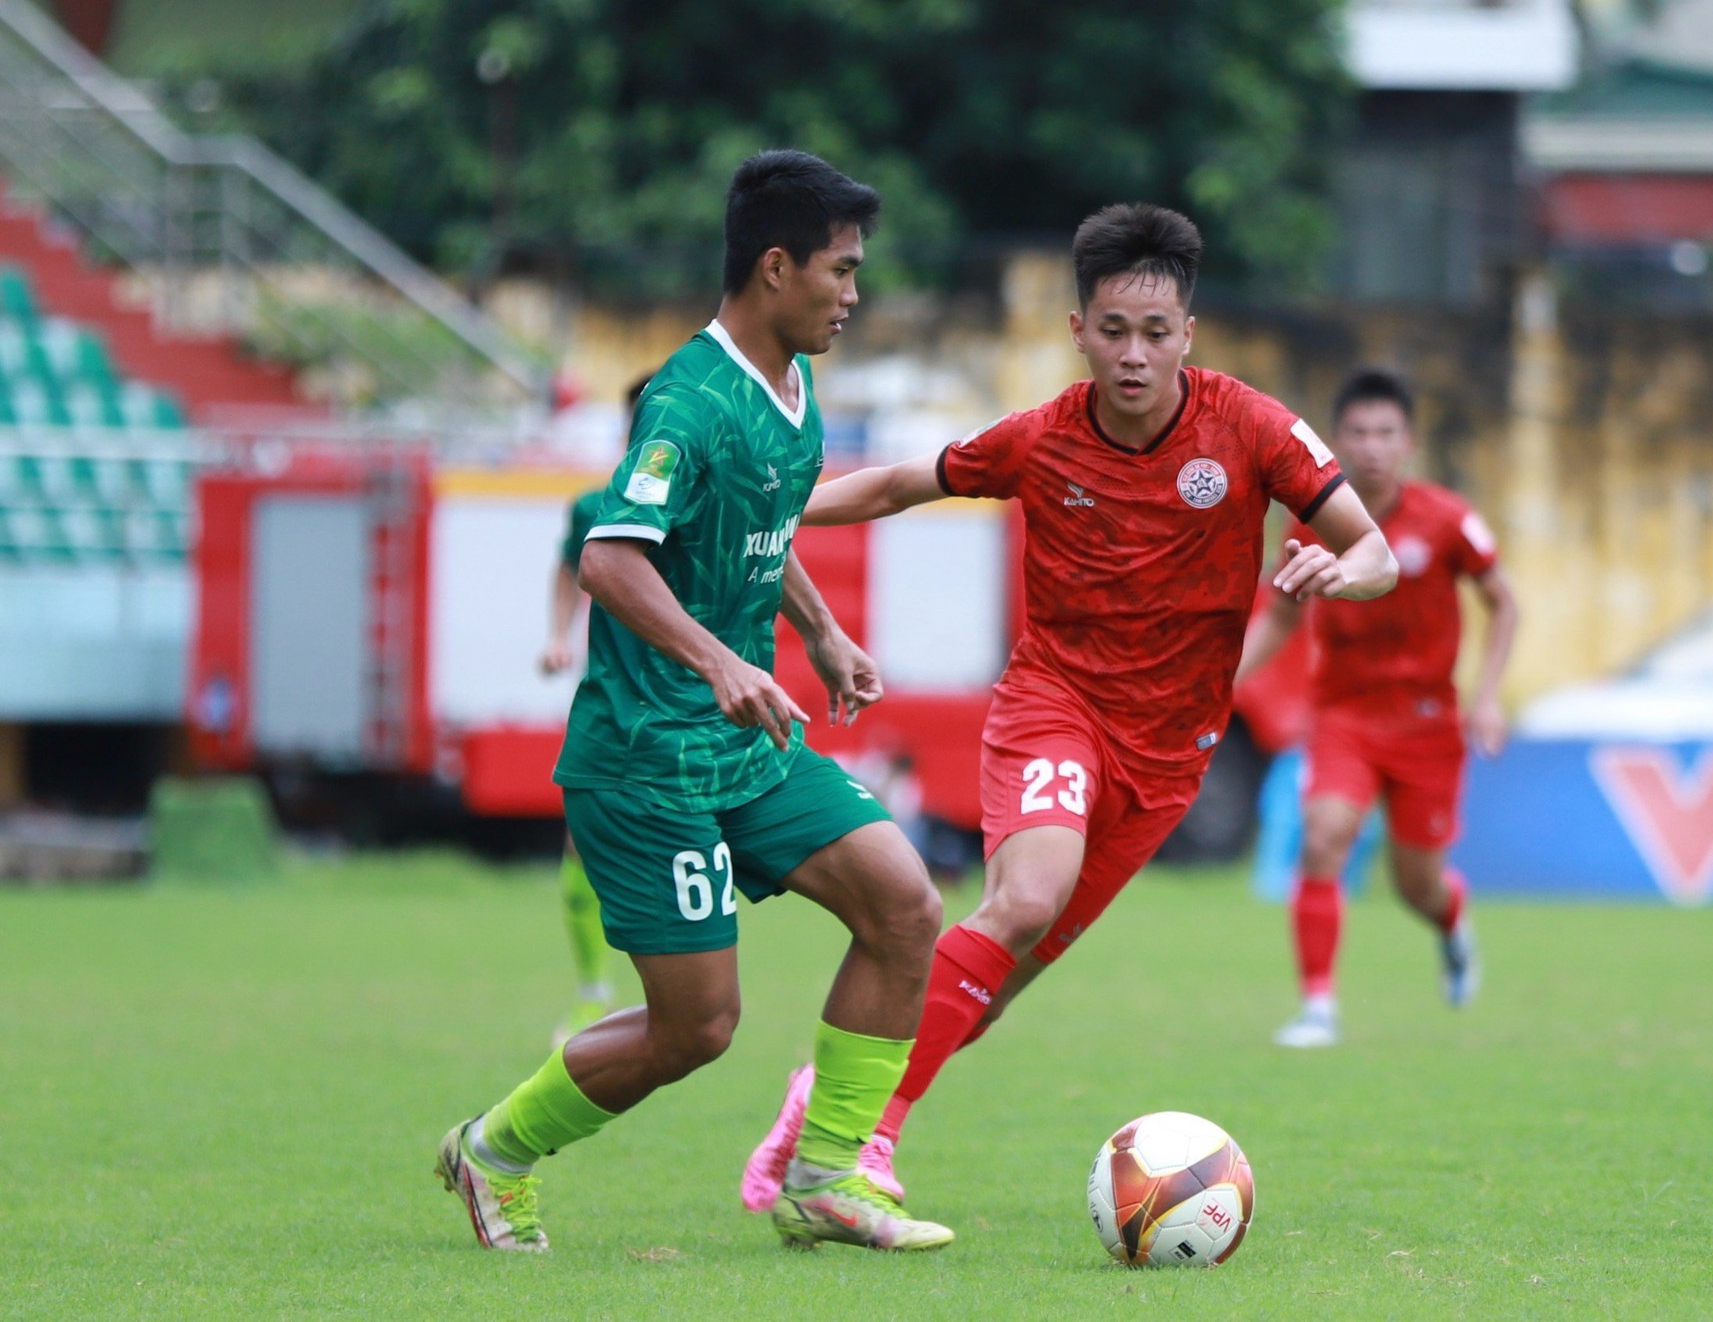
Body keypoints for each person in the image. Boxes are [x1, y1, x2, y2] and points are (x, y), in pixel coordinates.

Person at [741, 203, 1397, 1208]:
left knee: (993, 988)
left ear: (1188, 333)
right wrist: (768, 504)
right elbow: (894, 485)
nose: (1133, 354)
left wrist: (1331, 572)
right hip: (1055, 705)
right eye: (1112, 330)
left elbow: (1372, 551)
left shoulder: (1253, 427)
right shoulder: (1041, 437)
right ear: (1078, 331)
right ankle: (858, 1140)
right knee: (1022, 899)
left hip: (1169, 751)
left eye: (1155, 332)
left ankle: (816, 1101)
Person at [435, 150, 954, 1255]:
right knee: (697, 1026)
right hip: (646, 754)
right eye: (841, 271)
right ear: (776, 267)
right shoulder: (687, 398)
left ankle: (825, 1172)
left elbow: (761, 523)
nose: (854, 295)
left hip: (748, 744)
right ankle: (493, 1150)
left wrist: (817, 630)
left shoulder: (795, 383)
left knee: (904, 903)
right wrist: (723, 661)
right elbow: (611, 560)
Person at [1236, 368, 1519, 1048]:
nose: (1371, 446)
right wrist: (1223, 681)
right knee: (1323, 837)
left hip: (1426, 723)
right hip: (1344, 716)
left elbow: (1503, 600)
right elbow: (1279, 612)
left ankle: (1451, 922)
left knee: (1416, 885)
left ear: (1408, 442)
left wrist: (1486, 697)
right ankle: (1318, 1007)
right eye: (1358, 433)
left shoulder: (1447, 520)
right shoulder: (1311, 519)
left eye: (1385, 433)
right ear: (1337, 442)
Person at [537, 377, 655, 1048]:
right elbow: (568, 570)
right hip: (612, 701)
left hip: (693, 703)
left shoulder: (710, 493)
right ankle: (592, 995)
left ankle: (677, 995)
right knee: (582, 839)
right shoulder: (596, 506)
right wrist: (558, 636)